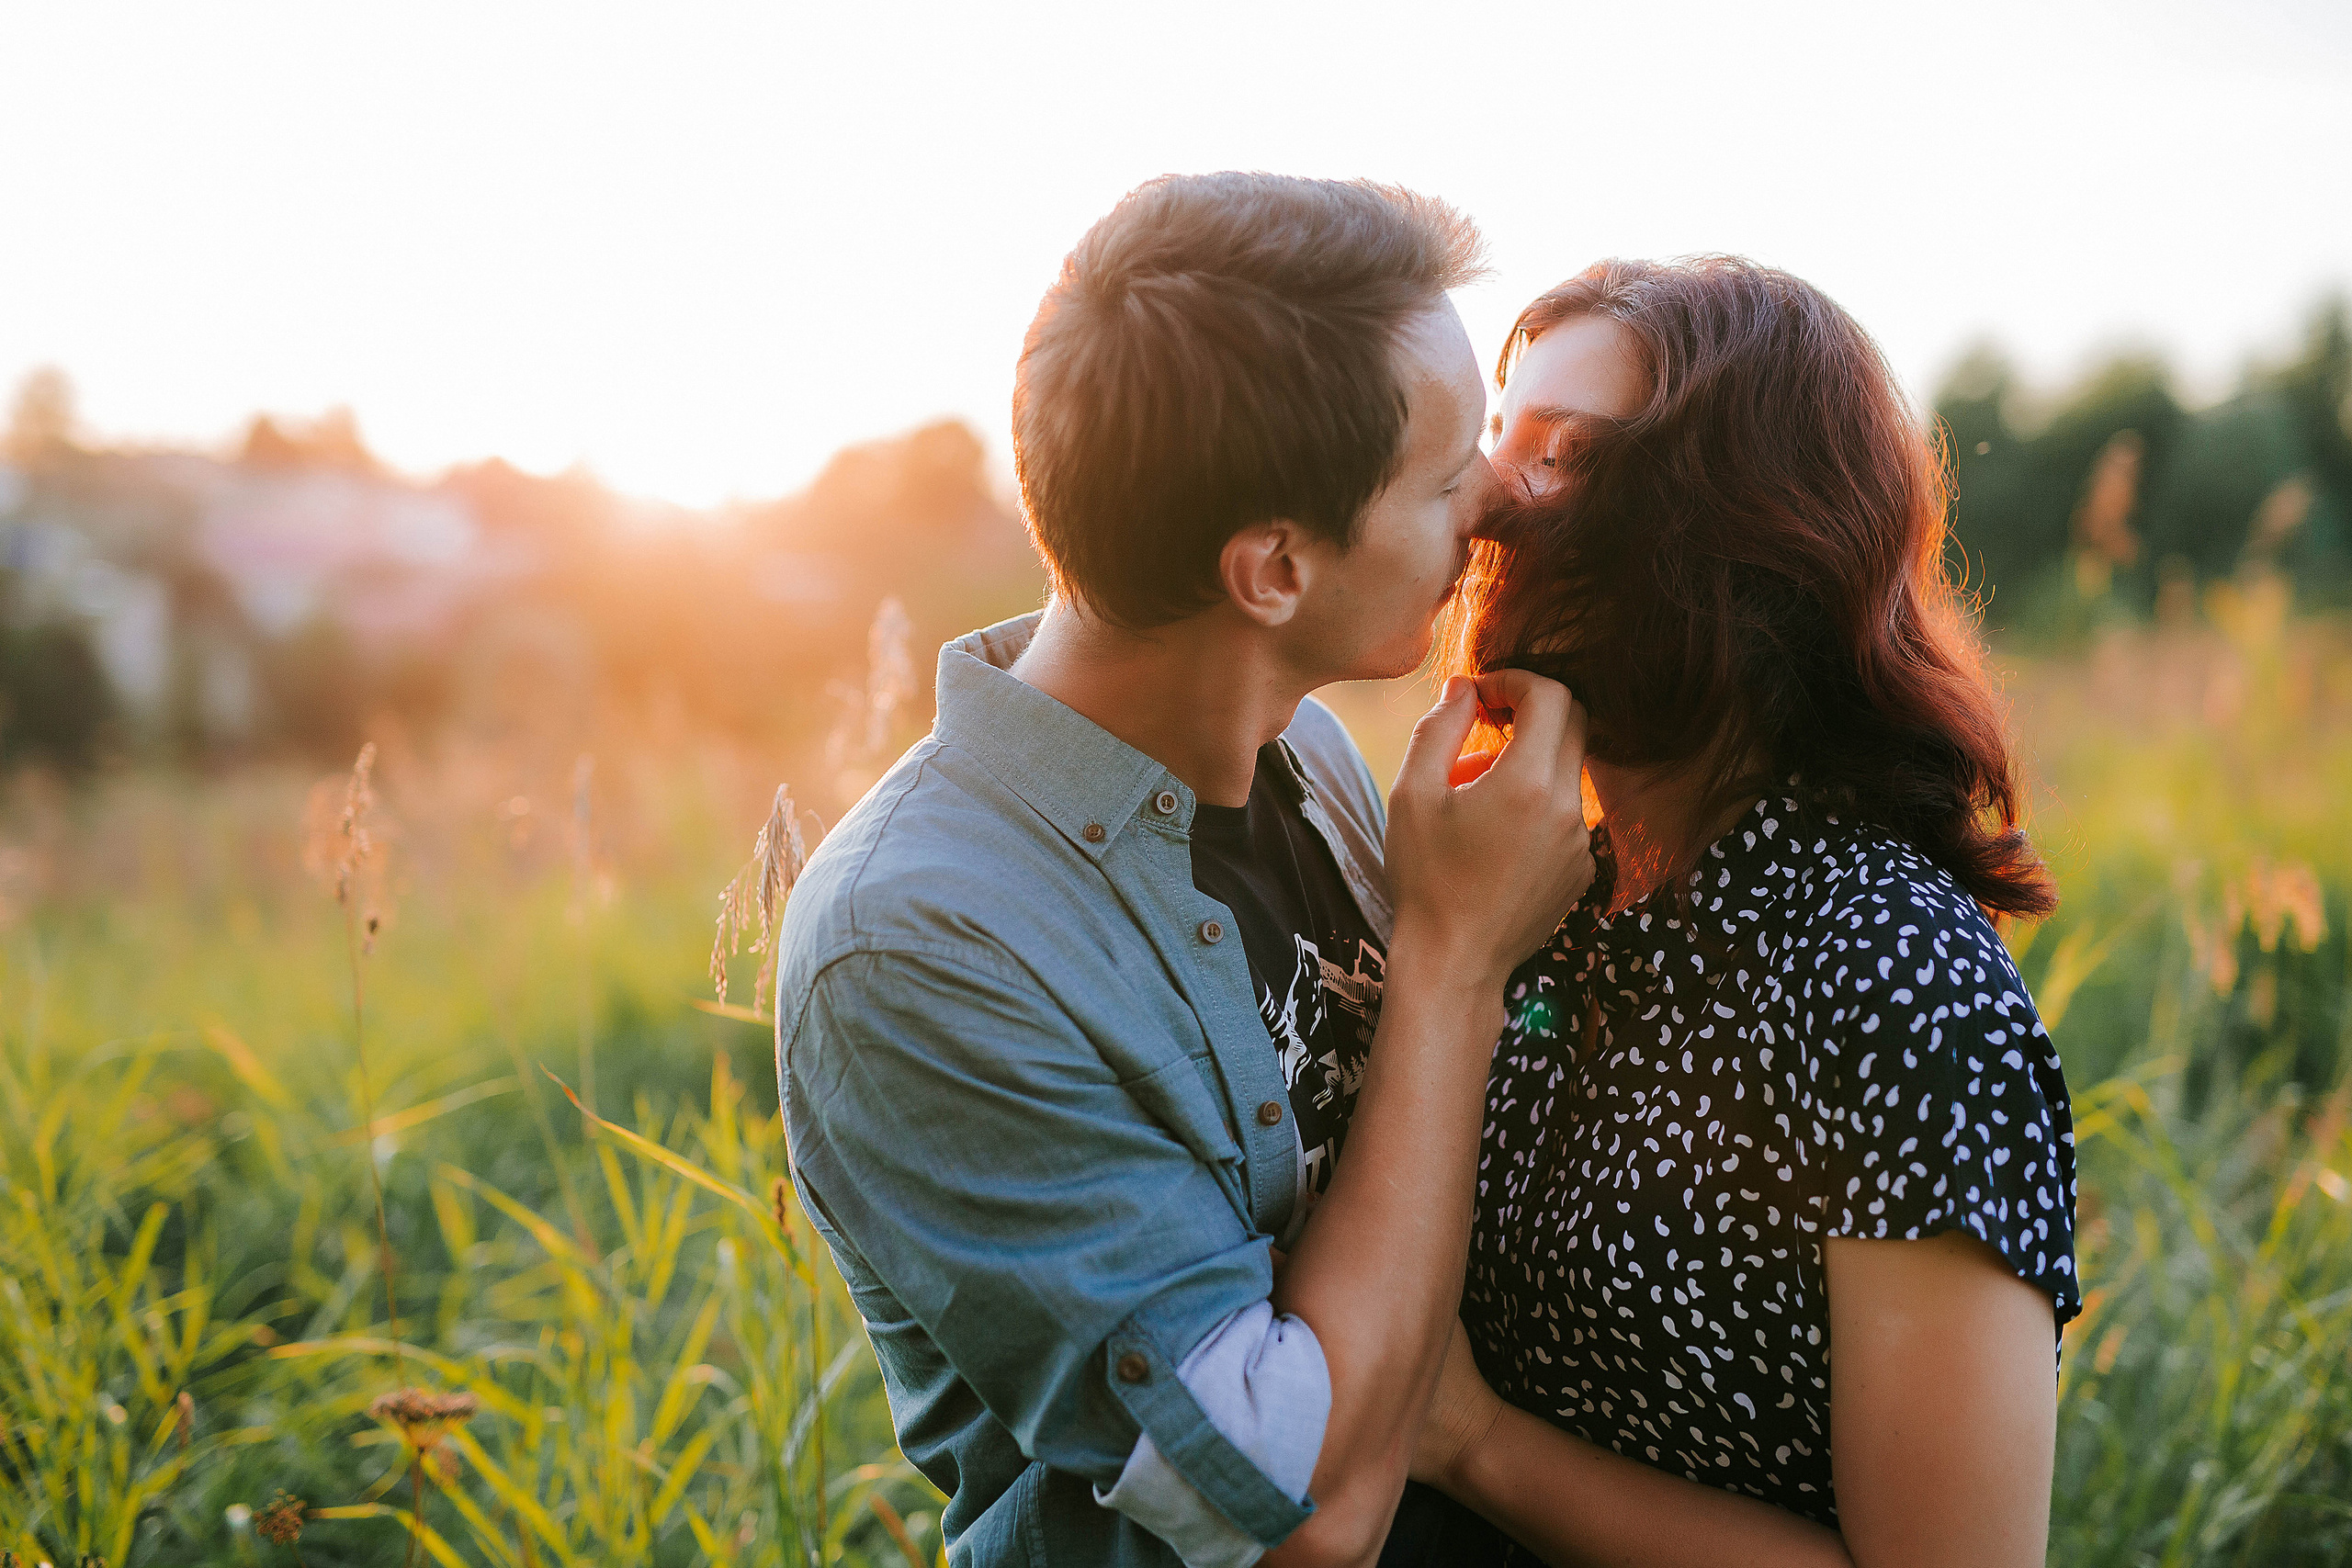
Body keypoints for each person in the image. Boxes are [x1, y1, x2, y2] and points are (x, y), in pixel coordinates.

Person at [773, 173, 1595, 1568]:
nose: (1497, 499)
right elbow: (1298, 1520)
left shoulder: (1305, 749)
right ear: (1272, 569)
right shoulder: (915, 950)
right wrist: (1455, 963)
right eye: (1447, 477)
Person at [1394, 257, 2079, 1568]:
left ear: (1751, 539)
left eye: (1562, 456)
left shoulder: (1890, 972)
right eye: (1497, 444)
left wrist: (1476, 1443)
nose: (1487, 499)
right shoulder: (1535, 891)